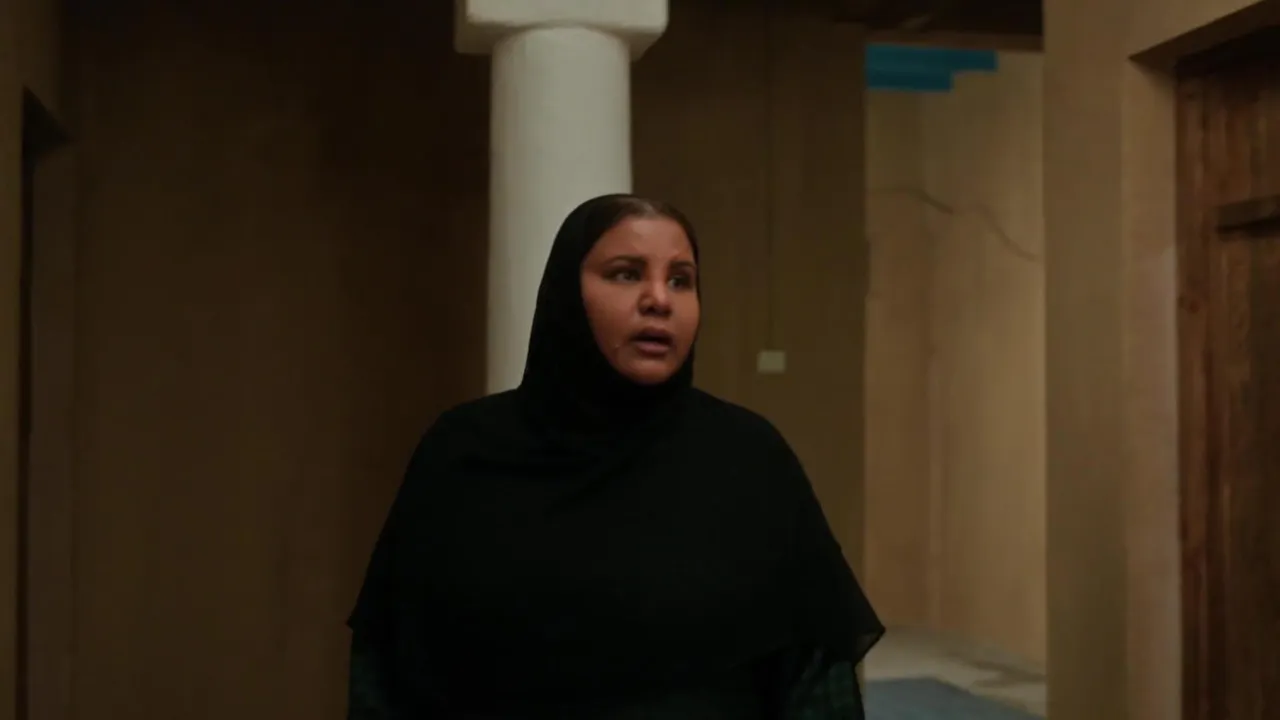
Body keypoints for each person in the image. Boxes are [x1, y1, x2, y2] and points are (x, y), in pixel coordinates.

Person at [346, 194, 883, 719]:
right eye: (626, 274)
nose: (659, 300)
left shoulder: (749, 459)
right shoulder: (465, 452)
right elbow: (387, 672)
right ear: (566, 294)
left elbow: (814, 679)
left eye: (681, 280)